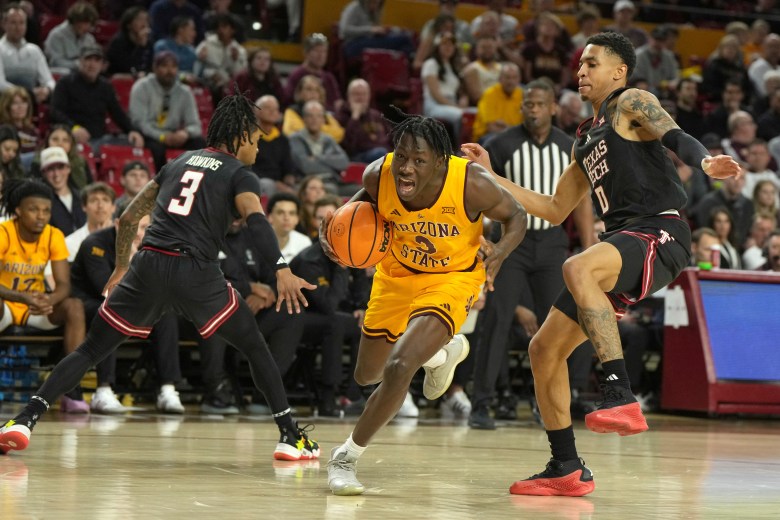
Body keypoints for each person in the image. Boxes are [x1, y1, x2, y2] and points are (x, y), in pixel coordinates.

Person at [462, 31, 740, 496]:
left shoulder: (631, 101)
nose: (581, 71)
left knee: (576, 267)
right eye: (580, 64)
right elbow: (553, 209)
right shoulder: (584, 138)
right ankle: (566, 466)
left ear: (619, 71)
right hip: (621, 245)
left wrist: (706, 160)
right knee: (543, 350)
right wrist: (492, 175)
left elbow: (676, 134)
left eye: (592, 63)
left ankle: (620, 394)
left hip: (659, 231)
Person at [0, 92, 321, 461]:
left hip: (148, 265)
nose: (259, 150)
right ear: (244, 136)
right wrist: (282, 268)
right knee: (254, 346)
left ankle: (23, 421)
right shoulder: (239, 172)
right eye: (258, 140)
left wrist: (122, 266)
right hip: (195, 270)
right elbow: (256, 219)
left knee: (90, 349)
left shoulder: (179, 162)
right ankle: (290, 437)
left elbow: (131, 215)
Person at [322, 110, 527, 495]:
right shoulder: (377, 175)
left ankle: (345, 457)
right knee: (368, 375)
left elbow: (516, 216)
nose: (406, 168)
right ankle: (440, 355)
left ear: (439, 161)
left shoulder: (471, 183)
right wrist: (336, 236)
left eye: (418, 160)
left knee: (401, 365)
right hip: (396, 273)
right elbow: (354, 213)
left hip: (452, 278)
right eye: (401, 156)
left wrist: (499, 251)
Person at [468, 78, 596, 431]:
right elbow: (482, 192)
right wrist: (483, 238)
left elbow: (581, 200)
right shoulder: (502, 144)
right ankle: (481, 402)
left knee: (561, 324)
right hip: (511, 242)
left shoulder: (569, 147)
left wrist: (588, 245)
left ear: (554, 107)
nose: (533, 109)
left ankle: (553, 404)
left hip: (552, 243)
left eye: (540, 104)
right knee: (496, 320)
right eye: (528, 104)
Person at [70, 200, 184, 414]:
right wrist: (131, 258)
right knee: (111, 310)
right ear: (118, 224)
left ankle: (167, 388)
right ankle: (103, 390)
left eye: (145, 228)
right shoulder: (94, 244)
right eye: (136, 227)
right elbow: (106, 289)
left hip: (133, 303)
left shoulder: (153, 246)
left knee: (166, 313)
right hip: (88, 304)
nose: (141, 234)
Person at [0, 178, 88, 414]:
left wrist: (50, 300)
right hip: (7, 305)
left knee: (74, 306)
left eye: (46, 210)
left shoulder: (53, 235)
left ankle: (71, 389)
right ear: (18, 211)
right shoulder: (3, 232)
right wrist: (22, 298)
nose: (41, 216)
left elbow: (63, 285)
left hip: (36, 306)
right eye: (33, 209)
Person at [50, 46, 145, 152]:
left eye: (97, 60)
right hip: (72, 138)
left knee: (132, 144)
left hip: (100, 139)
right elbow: (56, 112)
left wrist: (132, 130)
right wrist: (74, 128)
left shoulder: (105, 86)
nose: (92, 64)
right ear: (80, 61)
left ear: (102, 65)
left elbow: (118, 114)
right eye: (88, 59)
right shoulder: (65, 83)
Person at [129, 50, 205, 170]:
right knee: (156, 149)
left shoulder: (185, 92)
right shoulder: (141, 87)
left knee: (199, 143)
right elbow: (139, 123)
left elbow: (195, 125)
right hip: (151, 135)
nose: (170, 71)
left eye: (173, 67)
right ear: (155, 68)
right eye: (164, 66)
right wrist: (163, 137)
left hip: (174, 135)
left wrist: (185, 133)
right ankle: (159, 183)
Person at [0, 3, 56, 104]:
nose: (18, 27)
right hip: (5, 102)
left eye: (22, 23)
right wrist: (28, 93)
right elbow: (1, 84)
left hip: (31, 102)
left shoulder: (34, 50)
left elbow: (49, 81)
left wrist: (46, 90)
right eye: (13, 23)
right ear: (3, 24)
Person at [334, 79, 391, 164]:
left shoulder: (376, 115)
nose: (361, 98)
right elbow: (347, 146)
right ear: (348, 96)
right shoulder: (341, 116)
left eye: (364, 94)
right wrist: (355, 117)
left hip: (382, 154)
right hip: (356, 157)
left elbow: (391, 138)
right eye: (356, 94)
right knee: (381, 153)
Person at [472, 62, 523, 144]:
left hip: (513, 136)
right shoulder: (489, 94)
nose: (511, 81)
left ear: (519, 79)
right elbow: (491, 127)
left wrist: (506, 126)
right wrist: (512, 128)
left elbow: (524, 128)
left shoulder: (522, 96)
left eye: (514, 77)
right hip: (487, 136)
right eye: (507, 77)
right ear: (500, 78)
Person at [39, 146, 86, 235]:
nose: (56, 174)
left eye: (60, 167)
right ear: (43, 173)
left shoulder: (82, 197)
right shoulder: (41, 203)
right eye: (51, 169)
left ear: (69, 169)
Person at [43, 1, 99, 71]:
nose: (88, 27)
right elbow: (55, 62)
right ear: (76, 20)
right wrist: (79, 64)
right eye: (85, 23)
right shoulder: (57, 35)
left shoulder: (89, 39)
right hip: (61, 74)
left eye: (90, 24)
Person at [105, 6, 153, 77]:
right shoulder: (118, 42)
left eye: (146, 20)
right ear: (128, 24)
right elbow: (126, 68)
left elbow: (149, 67)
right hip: (120, 79)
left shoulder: (148, 42)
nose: (144, 24)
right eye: (140, 19)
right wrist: (140, 47)